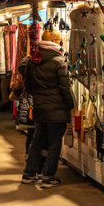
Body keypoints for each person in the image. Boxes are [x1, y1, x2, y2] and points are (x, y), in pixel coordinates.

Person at [19, 30, 74, 188]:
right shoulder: (59, 61)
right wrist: (70, 104)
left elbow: (28, 87)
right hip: (57, 110)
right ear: (55, 42)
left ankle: (28, 174)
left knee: (37, 141)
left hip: (40, 109)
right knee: (54, 143)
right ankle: (48, 177)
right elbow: (64, 88)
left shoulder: (32, 61)